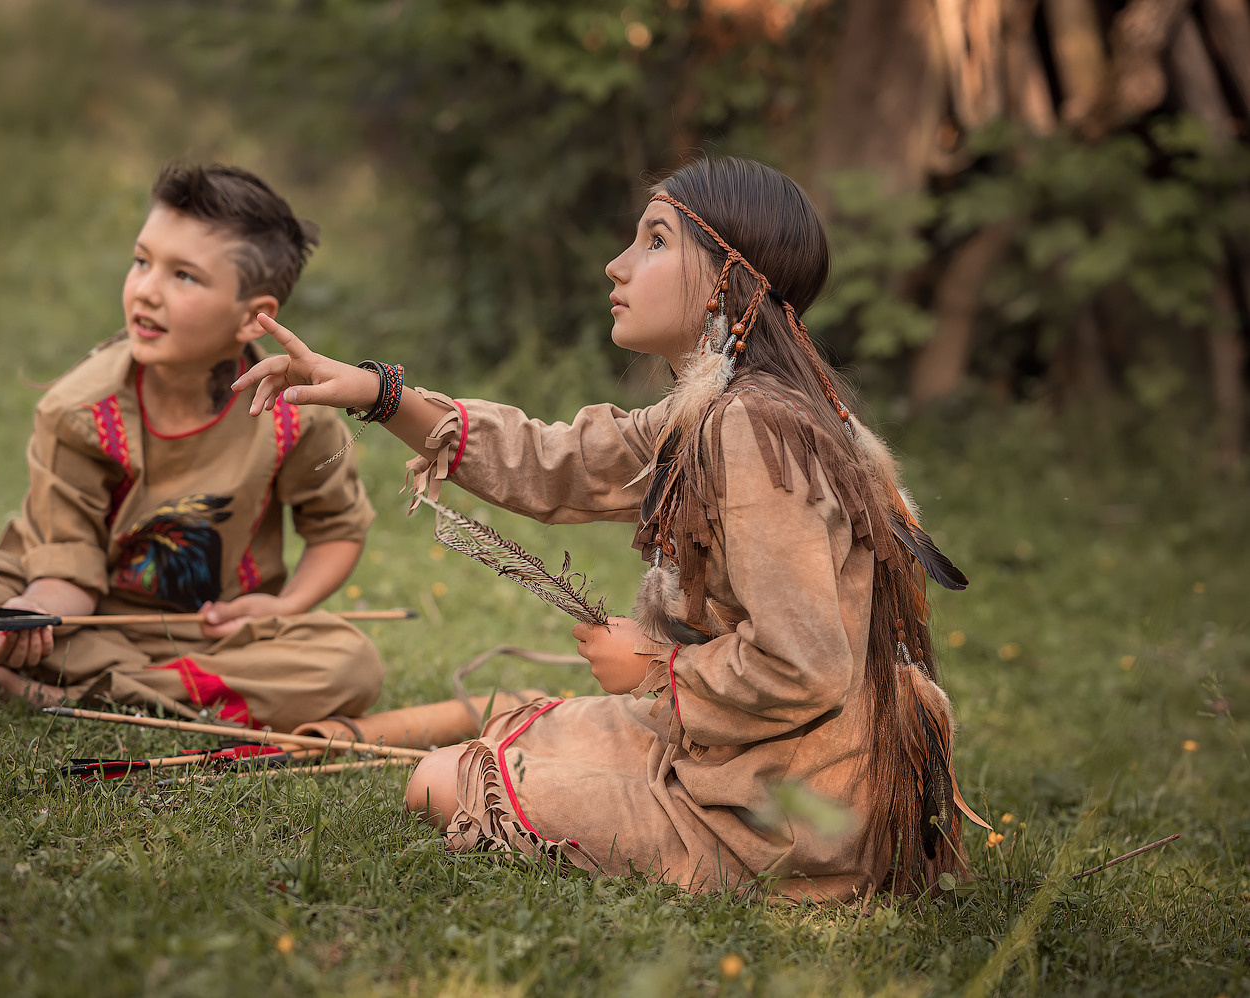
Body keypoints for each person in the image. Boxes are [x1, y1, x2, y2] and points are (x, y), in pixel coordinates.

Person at [234, 156, 984, 898]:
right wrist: (378, 392)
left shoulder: (754, 428)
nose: (615, 266)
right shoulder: (719, 411)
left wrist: (656, 666)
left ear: (728, 278)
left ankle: (799, 875)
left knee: (440, 781)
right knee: (505, 737)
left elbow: (805, 665)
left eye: (655, 241)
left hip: (783, 811)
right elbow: (559, 461)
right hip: (733, 752)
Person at [0, 164, 383, 731]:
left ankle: (64, 689)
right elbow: (68, 572)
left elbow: (337, 530)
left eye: (184, 277)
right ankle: (133, 692)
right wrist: (31, 615)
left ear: (256, 318)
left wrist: (284, 607)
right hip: (70, 618)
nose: (146, 290)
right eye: (141, 261)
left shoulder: (297, 411)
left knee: (352, 664)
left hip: (213, 639)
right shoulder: (79, 408)